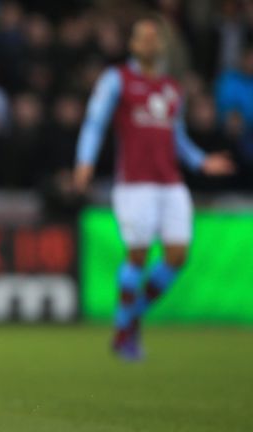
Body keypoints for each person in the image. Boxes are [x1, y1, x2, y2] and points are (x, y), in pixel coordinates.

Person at [73, 18, 235, 360]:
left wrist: (203, 162)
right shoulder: (117, 79)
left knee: (177, 256)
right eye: (143, 38)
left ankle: (127, 321)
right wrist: (84, 162)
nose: (149, 43)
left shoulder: (171, 88)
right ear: (133, 44)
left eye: (154, 38)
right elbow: (95, 122)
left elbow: (176, 137)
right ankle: (126, 330)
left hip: (171, 182)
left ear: (160, 46)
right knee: (138, 255)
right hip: (135, 183)